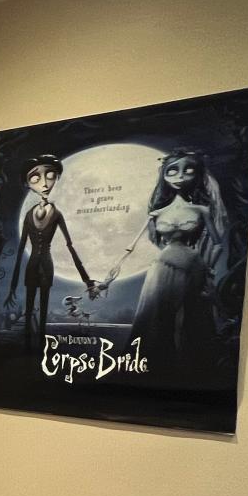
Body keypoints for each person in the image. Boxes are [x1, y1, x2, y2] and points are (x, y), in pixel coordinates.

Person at [100, 147, 230, 374]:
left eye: (188, 170)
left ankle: (190, 365)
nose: (180, 176)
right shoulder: (157, 214)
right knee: (156, 312)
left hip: (193, 264)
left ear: (198, 174)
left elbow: (217, 243)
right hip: (163, 265)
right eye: (172, 171)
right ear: (164, 175)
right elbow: (133, 245)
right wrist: (109, 278)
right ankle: (157, 364)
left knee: (190, 314)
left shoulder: (201, 210)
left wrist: (207, 266)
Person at [3, 153, 95, 353]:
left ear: (57, 179)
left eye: (50, 175)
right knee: (29, 308)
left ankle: (41, 348)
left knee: (43, 308)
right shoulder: (29, 214)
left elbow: (70, 245)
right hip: (31, 266)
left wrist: (87, 280)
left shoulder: (57, 214)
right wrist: (12, 286)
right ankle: (28, 348)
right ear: (28, 184)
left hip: (47, 263)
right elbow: (21, 249)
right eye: (35, 178)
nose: (44, 183)